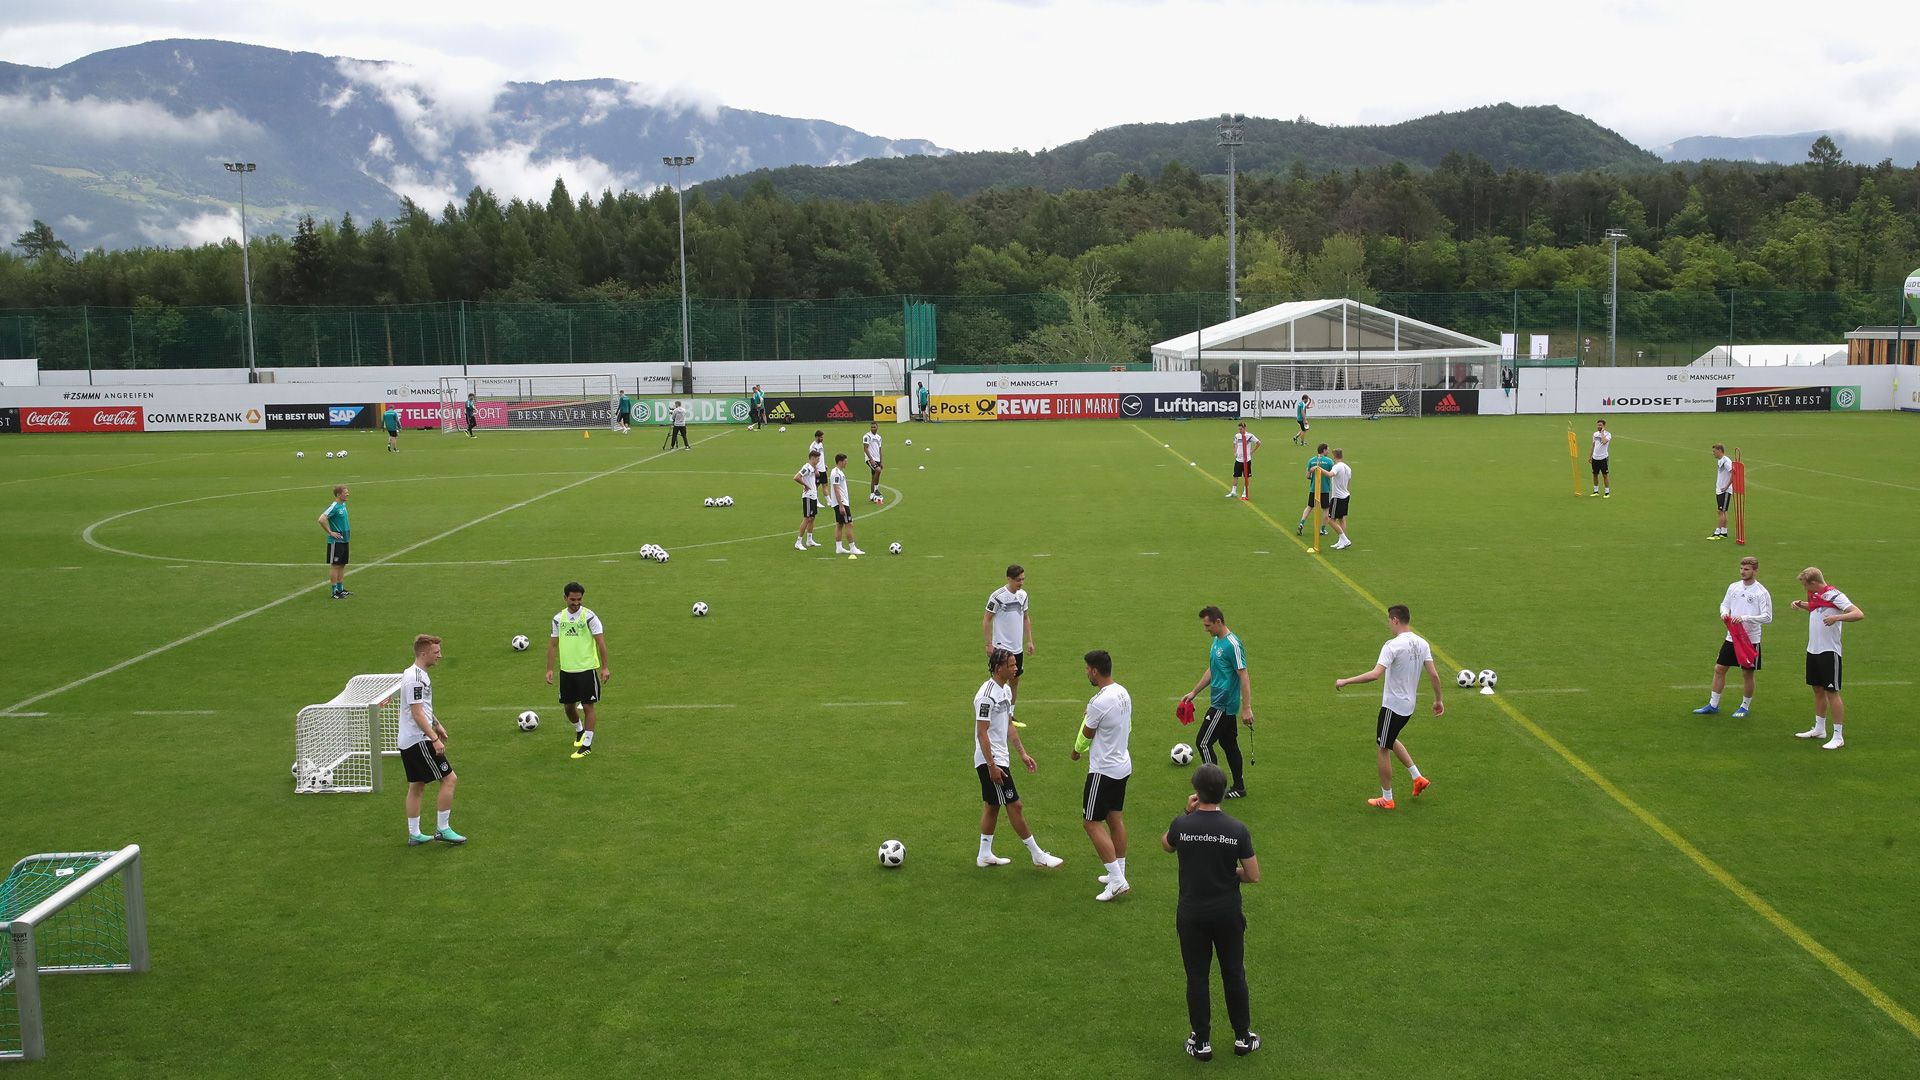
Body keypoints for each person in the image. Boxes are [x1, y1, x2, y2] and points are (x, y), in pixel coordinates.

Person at [1161, 762, 1260, 1061]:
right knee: (1233, 973)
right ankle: (1243, 1037)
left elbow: (1166, 845)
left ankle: (1201, 1041)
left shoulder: (1183, 825)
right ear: (1223, 792)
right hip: (1227, 913)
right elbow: (1253, 875)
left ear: (1196, 792)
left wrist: (1186, 813)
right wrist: (1231, 874)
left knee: (1197, 976)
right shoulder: (1237, 829)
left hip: (1192, 914)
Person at [1334, 603, 1444, 809]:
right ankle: (1417, 777)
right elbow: (1434, 675)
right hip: (1409, 706)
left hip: (1393, 707)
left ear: (1395, 620)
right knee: (1390, 739)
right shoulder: (1422, 643)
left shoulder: (1392, 645)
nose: (1388, 625)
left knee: (1382, 747)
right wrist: (1438, 700)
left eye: (1389, 621)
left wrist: (1346, 680)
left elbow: (1375, 674)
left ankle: (1387, 798)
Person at [973, 647, 1064, 870]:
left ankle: (984, 854)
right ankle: (1037, 854)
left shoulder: (1004, 691)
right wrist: (992, 765)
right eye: (1011, 665)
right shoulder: (985, 697)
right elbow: (981, 733)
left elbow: (1008, 725)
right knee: (1015, 805)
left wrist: (1022, 753)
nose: (1016, 668)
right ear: (998, 667)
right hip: (991, 761)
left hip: (999, 758)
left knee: (993, 805)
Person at [1072, 649, 1132, 901]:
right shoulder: (1123, 692)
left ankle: (1117, 881)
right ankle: (1119, 871)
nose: (1086, 672)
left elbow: (1087, 733)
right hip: (1122, 765)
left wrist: (1076, 751)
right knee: (1114, 818)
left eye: (1087, 669)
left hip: (1103, 770)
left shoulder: (1098, 702)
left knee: (1090, 822)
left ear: (1095, 670)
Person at [398, 634, 465, 845]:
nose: (440, 656)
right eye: (436, 652)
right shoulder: (416, 678)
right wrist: (434, 738)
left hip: (409, 739)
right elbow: (417, 714)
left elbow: (421, 707)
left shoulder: (414, 674)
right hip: (419, 740)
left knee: (416, 786)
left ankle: (414, 834)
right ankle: (443, 829)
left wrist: (436, 723)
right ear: (424, 653)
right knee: (449, 779)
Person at [1180, 606, 1252, 799]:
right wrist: (1195, 691)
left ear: (1219, 622)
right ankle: (1239, 787)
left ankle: (1212, 790)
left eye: (1208, 625)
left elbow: (1243, 675)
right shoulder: (1216, 641)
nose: (1206, 629)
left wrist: (1246, 708)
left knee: (1203, 742)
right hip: (1219, 700)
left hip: (1224, 703)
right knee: (1229, 744)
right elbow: (1213, 669)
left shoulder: (1233, 645)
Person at [1791, 567, 1864, 749]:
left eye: (1805, 584)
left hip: (1829, 651)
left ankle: (1838, 736)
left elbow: (1858, 613)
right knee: (1817, 689)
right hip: (1813, 649)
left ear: (1814, 582)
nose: (1804, 588)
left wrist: (1837, 618)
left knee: (1832, 692)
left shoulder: (1834, 595)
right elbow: (1817, 608)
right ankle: (1819, 729)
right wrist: (1801, 604)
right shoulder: (1816, 595)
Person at [1693, 556, 1771, 718]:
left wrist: (1744, 618)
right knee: (1719, 668)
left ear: (1755, 571)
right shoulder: (1733, 587)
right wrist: (1724, 613)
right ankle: (1713, 704)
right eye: (1741, 568)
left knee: (1747, 673)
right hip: (1732, 637)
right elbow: (1724, 604)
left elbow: (1767, 617)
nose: (1743, 572)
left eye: (1747, 569)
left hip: (1750, 640)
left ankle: (1744, 706)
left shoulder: (1761, 593)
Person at [545, 581, 612, 759]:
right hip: (566, 670)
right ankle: (579, 730)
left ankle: (587, 744)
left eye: (579, 599)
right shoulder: (558, 619)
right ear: (565, 598)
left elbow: (601, 643)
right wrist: (549, 669)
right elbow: (552, 645)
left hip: (587, 669)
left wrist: (604, 667)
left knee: (588, 706)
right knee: (568, 706)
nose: (576, 603)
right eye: (572, 599)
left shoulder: (589, 617)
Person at [983, 565, 1033, 714]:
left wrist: (1029, 640)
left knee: (1015, 681)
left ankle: (1010, 714)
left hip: (1017, 648)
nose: (1021, 583)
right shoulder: (997, 596)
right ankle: (996, 712)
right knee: (999, 681)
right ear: (1009, 579)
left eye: (1023, 579)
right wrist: (988, 644)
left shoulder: (1023, 595)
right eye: (1018, 580)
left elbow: (1025, 617)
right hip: (1001, 648)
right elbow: (986, 620)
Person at [317, 484, 351, 600]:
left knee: (342, 564)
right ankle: (334, 591)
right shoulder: (334, 506)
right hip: (336, 542)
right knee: (335, 565)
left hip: (345, 539)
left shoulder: (343, 505)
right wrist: (330, 532)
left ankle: (341, 589)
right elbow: (321, 519)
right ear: (338, 494)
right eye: (345, 492)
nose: (348, 494)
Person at [828, 453, 864, 555]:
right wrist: (841, 505)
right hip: (841, 502)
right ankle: (852, 547)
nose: (846, 463)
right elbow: (836, 489)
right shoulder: (836, 473)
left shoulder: (838, 472)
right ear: (840, 461)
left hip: (841, 502)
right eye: (845, 461)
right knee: (849, 524)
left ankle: (839, 548)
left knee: (840, 524)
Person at [1296, 443, 1334, 537]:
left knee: (1309, 507)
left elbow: (1307, 476)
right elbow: (1333, 474)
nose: (1328, 451)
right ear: (1324, 450)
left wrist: (1313, 475)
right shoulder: (1329, 461)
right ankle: (1322, 529)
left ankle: (1301, 523)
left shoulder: (1311, 460)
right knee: (1326, 509)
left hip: (1314, 489)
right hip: (1325, 489)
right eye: (1327, 450)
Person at [793, 448, 824, 551]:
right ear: (813, 458)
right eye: (817, 459)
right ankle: (798, 542)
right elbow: (796, 477)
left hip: (813, 496)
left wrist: (815, 467)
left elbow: (817, 475)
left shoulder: (812, 467)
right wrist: (805, 485)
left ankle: (809, 540)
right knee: (807, 518)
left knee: (812, 518)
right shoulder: (806, 467)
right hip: (808, 496)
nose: (819, 461)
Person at [1224, 421, 1260, 500]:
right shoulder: (1237, 436)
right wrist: (1235, 452)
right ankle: (1233, 491)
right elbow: (1234, 443)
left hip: (1246, 460)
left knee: (1246, 477)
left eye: (1241, 429)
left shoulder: (1249, 436)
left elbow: (1258, 443)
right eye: (1239, 429)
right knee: (1235, 475)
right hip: (1238, 460)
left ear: (1244, 428)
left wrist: (1252, 452)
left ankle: (1245, 493)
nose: (1240, 431)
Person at [1327, 448, 1353, 550]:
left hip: (1337, 497)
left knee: (1330, 520)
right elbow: (1349, 482)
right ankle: (1341, 541)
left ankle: (1345, 539)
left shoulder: (1337, 467)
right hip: (1346, 495)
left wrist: (1319, 470)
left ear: (1334, 456)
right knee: (1341, 518)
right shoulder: (1348, 467)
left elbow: (1330, 474)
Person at [1710, 443, 1734, 540]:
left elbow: (1733, 473)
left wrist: (1726, 486)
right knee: (1723, 511)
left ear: (1720, 450)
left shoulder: (1726, 461)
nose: (1713, 453)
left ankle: (1717, 532)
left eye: (1714, 451)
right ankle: (1724, 532)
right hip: (1720, 490)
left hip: (1725, 490)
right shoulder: (1720, 461)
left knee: (1720, 511)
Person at [862, 420, 884, 500]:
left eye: (874, 427)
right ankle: (876, 489)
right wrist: (871, 459)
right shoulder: (867, 436)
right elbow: (865, 448)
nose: (873, 428)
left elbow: (880, 450)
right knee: (878, 470)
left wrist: (881, 461)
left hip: (877, 459)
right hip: (870, 459)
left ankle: (872, 494)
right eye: (872, 427)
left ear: (877, 427)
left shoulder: (879, 437)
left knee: (874, 476)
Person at [1590, 419, 1611, 497]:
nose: (1598, 426)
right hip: (1595, 458)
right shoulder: (1595, 434)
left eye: (1600, 425)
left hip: (1603, 458)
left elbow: (1604, 441)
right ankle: (1596, 491)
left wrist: (1602, 433)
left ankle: (1607, 492)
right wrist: (1590, 456)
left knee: (1605, 475)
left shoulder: (1608, 434)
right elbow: (1593, 445)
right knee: (1595, 474)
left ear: (1604, 426)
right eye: (1598, 425)